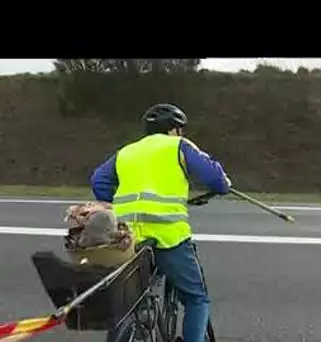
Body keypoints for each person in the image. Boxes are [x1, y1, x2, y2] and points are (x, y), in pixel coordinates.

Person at [90, 103, 231, 342]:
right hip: (168, 235)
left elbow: (99, 180)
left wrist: (117, 206)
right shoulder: (179, 146)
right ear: (174, 129)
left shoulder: (127, 151)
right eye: (180, 130)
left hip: (126, 236)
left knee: (126, 301)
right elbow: (215, 179)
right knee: (196, 299)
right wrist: (225, 184)